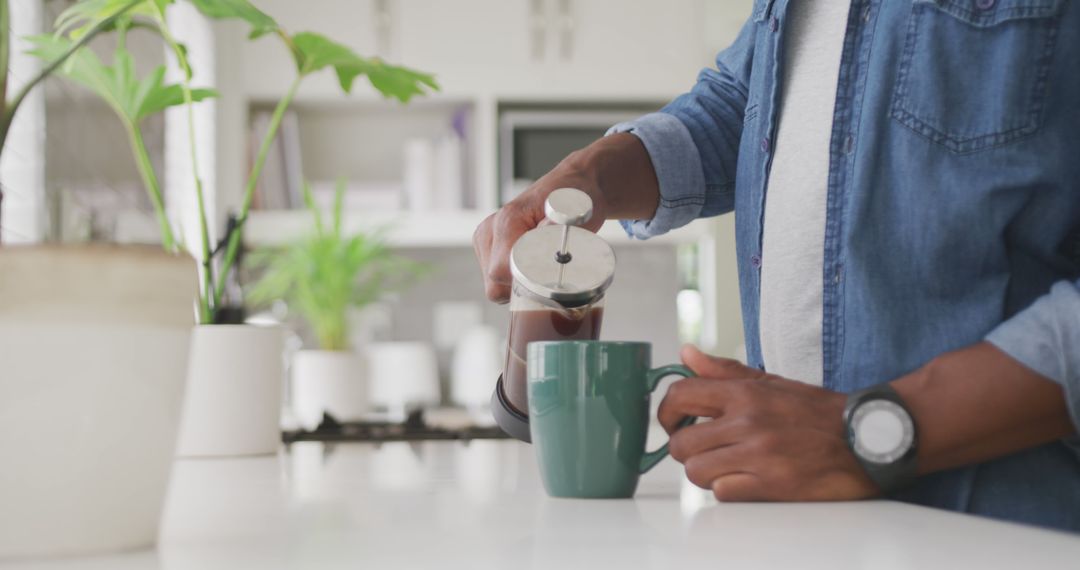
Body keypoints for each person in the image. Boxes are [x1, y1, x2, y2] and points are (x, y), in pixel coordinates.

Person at [472, 0, 1080, 530]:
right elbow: (740, 103)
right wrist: (592, 175)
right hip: (792, 511)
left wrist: (869, 432)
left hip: (1003, 525)